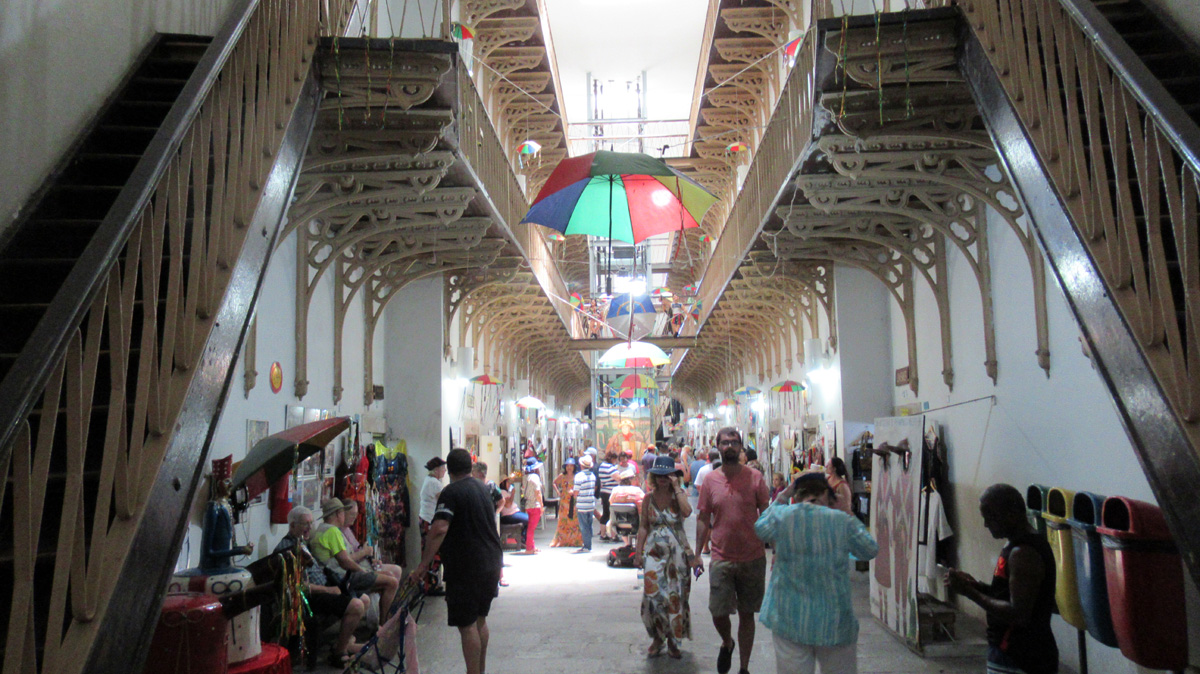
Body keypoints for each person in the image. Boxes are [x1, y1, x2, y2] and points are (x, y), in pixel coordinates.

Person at [755, 473, 878, 674]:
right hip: (834, 621)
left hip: (789, 618)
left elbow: (760, 528)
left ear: (797, 496)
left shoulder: (783, 516)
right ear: (827, 495)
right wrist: (847, 511)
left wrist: (783, 495)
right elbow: (869, 549)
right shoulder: (841, 520)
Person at [408, 448, 503, 674]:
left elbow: (440, 528)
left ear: (449, 470)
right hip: (491, 562)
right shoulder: (483, 488)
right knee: (480, 619)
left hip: (467, 567)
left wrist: (422, 566)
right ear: (470, 466)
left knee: (467, 625)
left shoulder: (451, 492)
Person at [946, 484, 1058, 674]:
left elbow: (1018, 614)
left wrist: (970, 593)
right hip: (1015, 655)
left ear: (1012, 514)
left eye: (991, 516)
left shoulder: (1023, 553)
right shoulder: (1016, 546)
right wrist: (976, 586)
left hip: (1019, 656)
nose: (986, 524)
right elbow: (1009, 595)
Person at [696, 427, 771, 674]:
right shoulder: (710, 480)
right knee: (718, 611)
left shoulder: (755, 478)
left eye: (734, 442)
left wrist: (776, 547)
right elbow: (703, 517)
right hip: (721, 555)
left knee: (747, 613)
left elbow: (767, 514)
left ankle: (744, 668)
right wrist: (697, 553)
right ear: (717, 446)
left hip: (752, 556)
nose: (729, 446)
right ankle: (727, 642)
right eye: (725, 442)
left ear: (741, 447)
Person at [273, 506, 366, 667]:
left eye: (311, 523)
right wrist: (328, 589)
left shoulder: (301, 543)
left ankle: (343, 644)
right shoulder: (287, 549)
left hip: (324, 587)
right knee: (357, 605)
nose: (310, 527)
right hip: (310, 598)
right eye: (305, 524)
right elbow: (297, 586)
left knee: (364, 599)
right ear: (293, 525)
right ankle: (339, 653)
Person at [635, 456, 700, 659]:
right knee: (653, 596)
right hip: (654, 551)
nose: (662, 479)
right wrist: (638, 552)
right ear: (654, 477)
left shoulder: (677, 496)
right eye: (659, 475)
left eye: (667, 475)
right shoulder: (648, 498)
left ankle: (672, 639)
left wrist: (677, 487)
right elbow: (643, 526)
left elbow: (687, 512)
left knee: (676, 596)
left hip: (677, 553)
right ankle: (658, 635)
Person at [311, 498, 399, 618]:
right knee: (392, 582)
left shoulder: (321, 529)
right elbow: (345, 561)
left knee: (388, 576)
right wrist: (363, 571)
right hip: (342, 576)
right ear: (338, 514)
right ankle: (384, 623)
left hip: (336, 575)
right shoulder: (332, 531)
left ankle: (380, 621)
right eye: (343, 513)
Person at [340, 500, 404, 585]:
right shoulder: (339, 533)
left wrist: (372, 560)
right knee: (393, 574)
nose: (354, 517)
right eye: (352, 514)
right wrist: (364, 552)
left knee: (396, 571)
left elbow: (357, 550)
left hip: (364, 564)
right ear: (343, 513)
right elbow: (346, 559)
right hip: (357, 569)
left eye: (356, 514)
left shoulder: (347, 530)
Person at [419, 457, 448, 595]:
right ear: (436, 470)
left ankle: (429, 583)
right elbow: (444, 500)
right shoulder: (434, 483)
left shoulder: (429, 481)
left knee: (428, 550)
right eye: (443, 469)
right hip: (429, 521)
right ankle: (430, 585)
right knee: (432, 551)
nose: (445, 471)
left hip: (426, 519)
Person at [550, 458, 582, 548]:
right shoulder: (562, 476)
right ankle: (563, 540)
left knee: (574, 520)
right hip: (564, 501)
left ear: (574, 467)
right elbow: (554, 483)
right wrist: (558, 492)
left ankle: (574, 540)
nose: (569, 468)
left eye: (571, 466)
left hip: (573, 500)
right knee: (563, 520)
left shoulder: (577, 476)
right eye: (568, 466)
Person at [574, 454, 598, 551]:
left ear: (581, 465)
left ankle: (587, 546)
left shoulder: (578, 476)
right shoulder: (592, 476)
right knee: (589, 524)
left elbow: (576, 492)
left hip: (582, 505)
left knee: (583, 526)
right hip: (590, 504)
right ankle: (588, 543)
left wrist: (572, 493)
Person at [521, 456, 544, 554]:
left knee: (530, 527)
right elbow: (537, 492)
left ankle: (532, 546)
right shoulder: (535, 477)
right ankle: (529, 548)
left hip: (528, 505)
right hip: (535, 505)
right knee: (531, 528)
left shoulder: (525, 477)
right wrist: (541, 505)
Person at [598, 450, 620, 540]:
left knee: (605, 513)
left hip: (604, 492)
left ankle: (603, 534)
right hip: (611, 493)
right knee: (613, 514)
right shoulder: (610, 467)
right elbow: (618, 478)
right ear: (612, 458)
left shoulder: (602, 466)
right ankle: (613, 535)